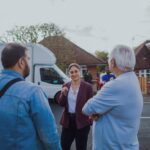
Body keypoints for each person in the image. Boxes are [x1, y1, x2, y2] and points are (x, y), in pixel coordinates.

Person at [0, 43, 61, 150]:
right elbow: (49, 136)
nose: (28, 62)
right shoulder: (32, 92)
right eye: (27, 58)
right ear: (21, 62)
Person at [82, 45, 143, 150]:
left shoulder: (115, 85)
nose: (108, 61)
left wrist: (97, 111)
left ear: (113, 62)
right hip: (126, 144)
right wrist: (99, 111)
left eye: (109, 58)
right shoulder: (132, 79)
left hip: (113, 146)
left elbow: (87, 109)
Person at [57, 63, 93, 150]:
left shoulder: (87, 87)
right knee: (64, 146)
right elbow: (61, 103)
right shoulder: (66, 86)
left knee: (81, 147)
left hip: (82, 122)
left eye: (76, 71)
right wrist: (63, 94)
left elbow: (91, 104)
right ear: (69, 74)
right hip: (68, 121)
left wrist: (90, 120)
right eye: (71, 72)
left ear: (80, 72)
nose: (74, 74)